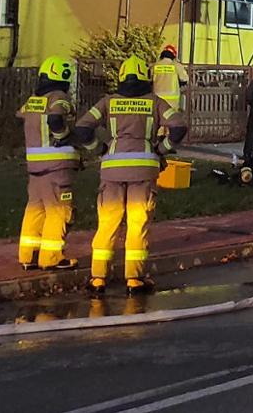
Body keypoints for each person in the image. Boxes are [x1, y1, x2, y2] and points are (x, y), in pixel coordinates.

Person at [76, 56, 188, 294]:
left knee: (108, 223)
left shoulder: (107, 102)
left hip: (112, 170)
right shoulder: (154, 102)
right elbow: (179, 127)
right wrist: (161, 149)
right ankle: (134, 280)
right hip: (144, 170)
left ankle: (98, 278)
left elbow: (82, 128)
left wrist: (98, 149)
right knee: (138, 224)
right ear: (145, 78)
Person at [18, 56, 81, 270]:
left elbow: (22, 115)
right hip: (56, 168)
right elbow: (56, 119)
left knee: (35, 209)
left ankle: (29, 256)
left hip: (35, 168)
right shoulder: (59, 98)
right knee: (59, 211)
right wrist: (64, 135)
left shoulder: (32, 101)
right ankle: (52, 258)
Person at [152, 45, 190, 109]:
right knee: (170, 117)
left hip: (157, 97)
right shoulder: (176, 65)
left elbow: (151, 79)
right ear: (173, 55)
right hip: (172, 99)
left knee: (158, 116)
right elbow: (185, 79)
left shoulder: (155, 65)